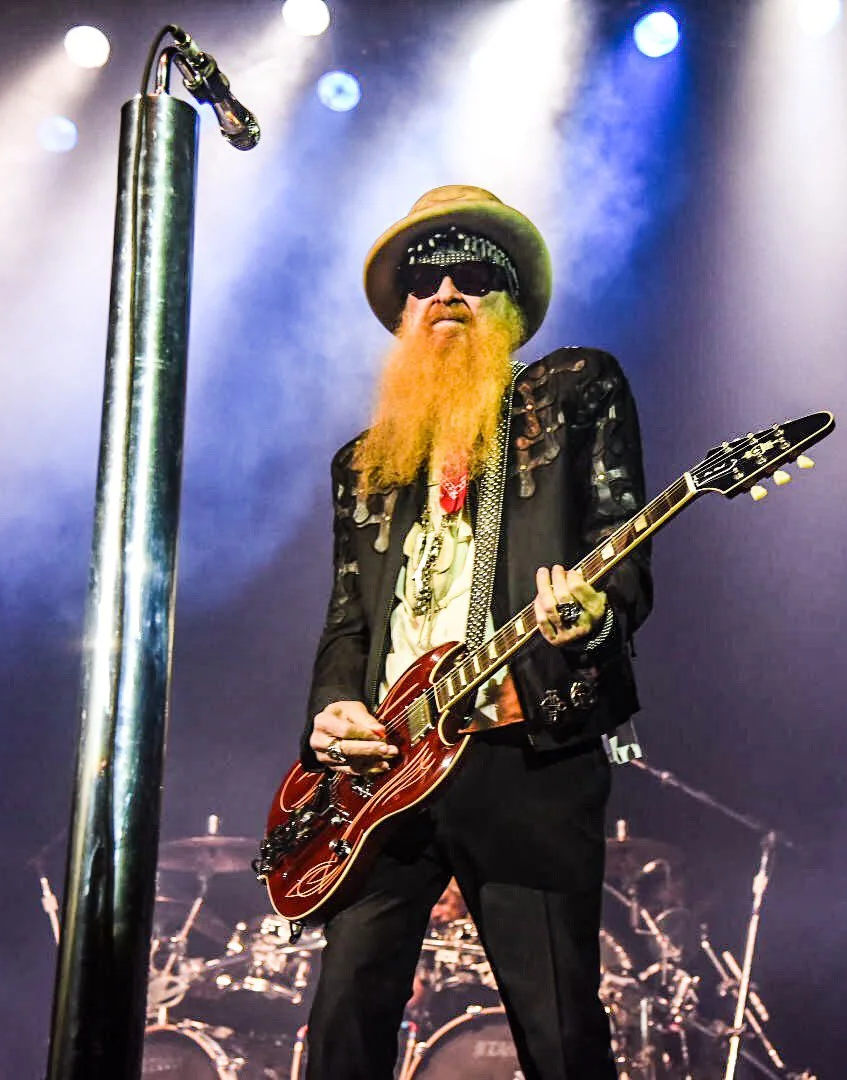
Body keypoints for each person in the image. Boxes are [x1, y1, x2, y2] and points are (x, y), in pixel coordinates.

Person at [297, 184, 651, 1080]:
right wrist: (334, 708)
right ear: (403, 315)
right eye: (424, 278)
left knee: (559, 1028)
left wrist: (594, 615)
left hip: (520, 752)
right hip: (386, 774)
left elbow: (624, 551)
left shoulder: (573, 392)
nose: (446, 290)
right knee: (342, 1023)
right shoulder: (364, 464)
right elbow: (348, 620)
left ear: (511, 305)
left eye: (472, 273)